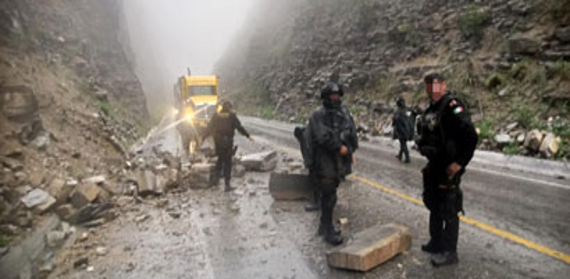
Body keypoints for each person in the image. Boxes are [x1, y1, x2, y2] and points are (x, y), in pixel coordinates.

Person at [417, 73, 478, 267]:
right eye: (429, 86)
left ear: (443, 86)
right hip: (435, 165)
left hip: (449, 167)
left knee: (449, 209)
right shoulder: (431, 110)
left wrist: (460, 162)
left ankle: (451, 253)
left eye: (436, 85)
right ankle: (436, 242)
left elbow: (470, 135)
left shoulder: (452, 107)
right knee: (434, 205)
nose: (432, 89)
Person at [307, 80, 358, 245]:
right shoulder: (317, 114)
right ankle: (328, 230)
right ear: (326, 97)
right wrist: (339, 146)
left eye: (338, 95)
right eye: (332, 95)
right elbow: (322, 137)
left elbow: (351, 132)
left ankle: (323, 225)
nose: (336, 98)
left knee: (331, 192)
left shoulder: (343, 112)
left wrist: (349, 151)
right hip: (323, 159)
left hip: (337, 159)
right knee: (329, 195)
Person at [202, 101, 253, 192]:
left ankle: (215, 181)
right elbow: (239, 127)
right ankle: (227, 185)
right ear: (229, 108)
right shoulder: (232, 116)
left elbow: (209, 128)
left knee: (220, 160)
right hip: (227, 141)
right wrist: (248, 135)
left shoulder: (216, 115)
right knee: (227, 163)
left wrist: (202, 138)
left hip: (218, 141)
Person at [392, 96, 413, 163]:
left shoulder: (399, 111)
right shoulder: (406, 110)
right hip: (407, 130)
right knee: (403, 143)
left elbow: (395, 120)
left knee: (403, 144)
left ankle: (407, 158)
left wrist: (394, 125)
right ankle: (400, 155)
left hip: (402, 130)